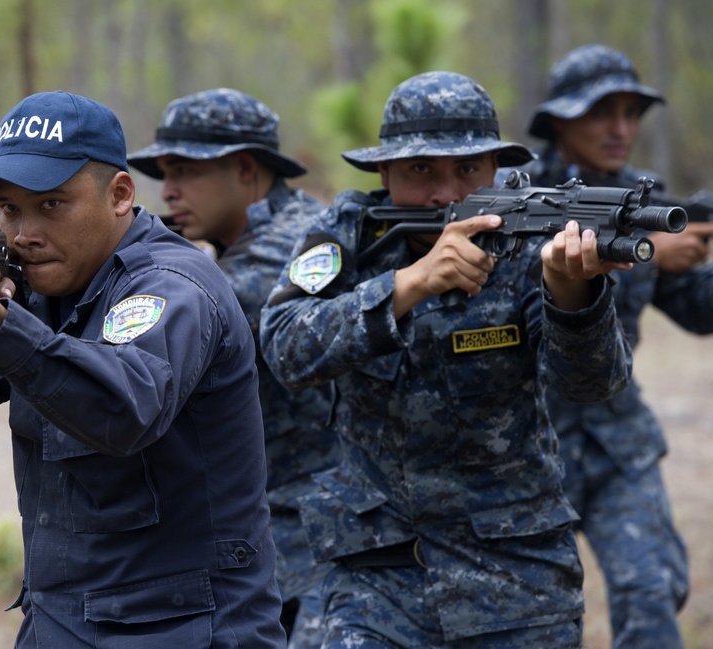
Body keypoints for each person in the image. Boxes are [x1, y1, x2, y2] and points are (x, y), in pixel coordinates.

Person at [0, 90, 286, 649]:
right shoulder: (33, 282)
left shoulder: (172, 285)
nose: (25, 233)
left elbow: (124, 410)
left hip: (188, 629)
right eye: (10, 209)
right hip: (60, 622)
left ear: (120, 195)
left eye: (52, 204)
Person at [259, 70, 634, 648]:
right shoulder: (349, 235)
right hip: (377, 577)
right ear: (384, 174)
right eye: (420, 170)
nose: (444, 194)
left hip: (516, 579)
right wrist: (407, 286)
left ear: (496, 168)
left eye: (466, 170)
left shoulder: (530, 244)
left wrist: (573, 296)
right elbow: (286, 348)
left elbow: (593, 385)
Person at [516, 44, 713, 649]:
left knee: (651, 592)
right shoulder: (517, 192)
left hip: (616, 440)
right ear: (559, 120)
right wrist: (643, 256)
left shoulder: (649, 200)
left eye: (631, 113)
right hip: (523, 445)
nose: (621, 129)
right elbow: (515, 289)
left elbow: (701, 308)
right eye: (602, 112)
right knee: (526, 621)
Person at [127, 88, 340, 649]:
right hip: (286, 532)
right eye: (164, 173)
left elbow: (174, 323)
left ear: (246, 170)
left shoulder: (282, 252)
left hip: (319, 539)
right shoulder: (264, 235)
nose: (168, 190)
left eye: (186, 171)